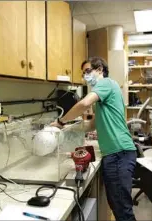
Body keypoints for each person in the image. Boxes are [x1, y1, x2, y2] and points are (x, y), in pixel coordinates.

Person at [51, 57, 137, 221]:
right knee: (119, 207)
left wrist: (62, 120)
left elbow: (83, 104)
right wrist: (66, 129)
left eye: (88, 71)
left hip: (118, 153)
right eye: (83, 73)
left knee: (123, 212)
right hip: (118, 152)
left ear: (100, 70)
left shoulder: (104, 83)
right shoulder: (108, 89)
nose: (85, 76)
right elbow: (93, 124)